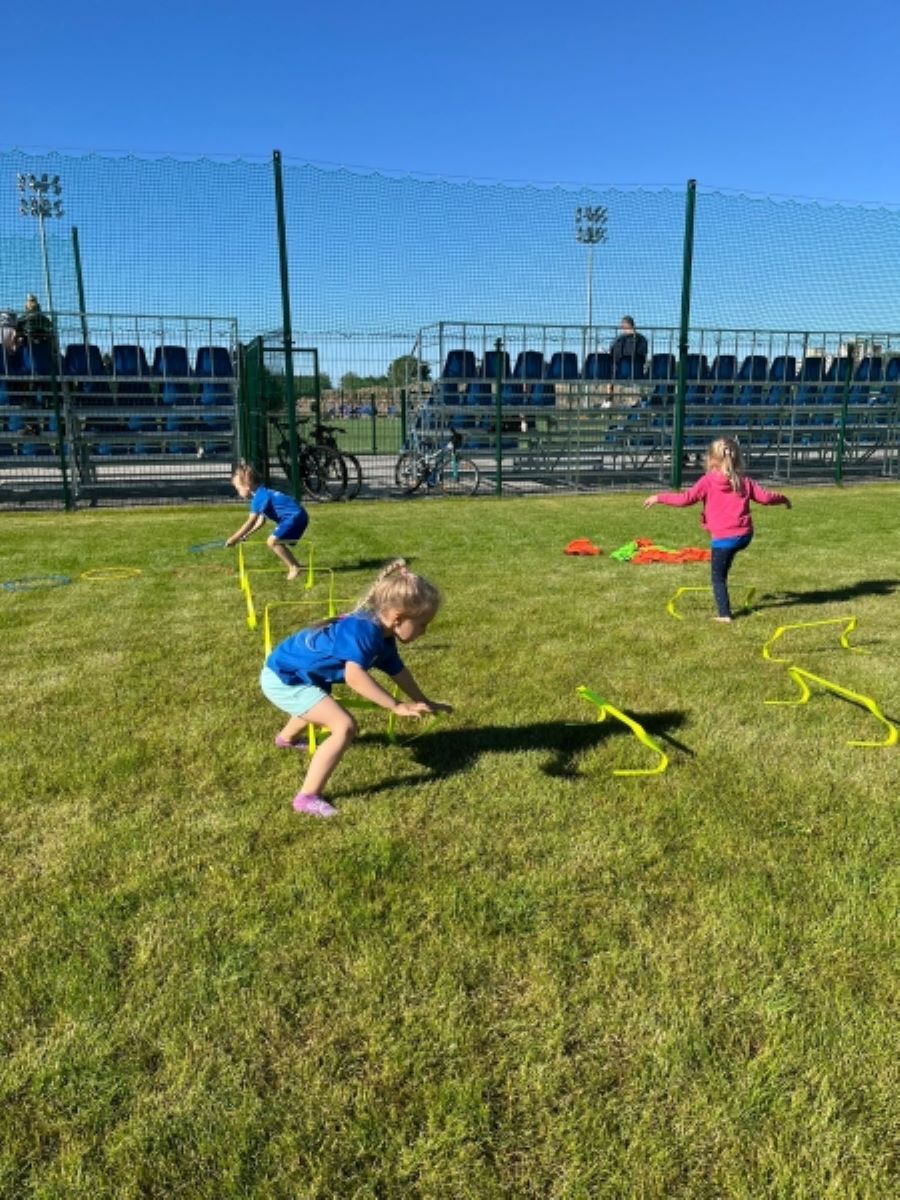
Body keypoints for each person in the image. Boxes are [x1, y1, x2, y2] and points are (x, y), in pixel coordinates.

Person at [260, 559, 453, 817]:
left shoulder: (384, 636)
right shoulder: (364, 631)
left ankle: (286, 739)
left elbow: (398, 672)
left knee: (319, 704)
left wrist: (424, 700)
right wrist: (396, 706)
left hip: (298, 674)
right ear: (398, 618)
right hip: (284, 678)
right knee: (344, 726)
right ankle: (306, 798)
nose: (424, 631)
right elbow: (354, 676)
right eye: (422, 625)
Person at [643, 437, 791, 622]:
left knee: (717, 578)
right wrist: (783, 499)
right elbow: (766, 498)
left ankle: (724, 615)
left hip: (724, 539)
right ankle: (725, 570)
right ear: (737, 458)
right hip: (744, 536)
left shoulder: (708, 481)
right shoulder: (744, 481)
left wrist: (659, 497)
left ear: (711, 459)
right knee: (725, 563)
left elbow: (685, 499)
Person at [225, 464, 309, 581]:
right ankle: (296, 565)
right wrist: (246, 535)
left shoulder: (258, 498)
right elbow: (260, 521)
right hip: (299, 516)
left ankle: (294, 567)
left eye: (238, 488)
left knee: (272, 542)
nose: (238, 492)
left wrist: (234, 538)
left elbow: (251, 521)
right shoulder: (262, 493)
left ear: (247, 486)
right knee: (276, 541)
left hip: (293, 517)